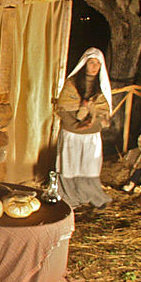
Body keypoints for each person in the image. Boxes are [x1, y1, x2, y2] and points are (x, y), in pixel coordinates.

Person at [55, 47, 113, 209]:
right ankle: (69, 196)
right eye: (91, 63)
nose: (94, 67)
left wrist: (91, 122)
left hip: (91, 135)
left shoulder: (101, 87)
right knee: (70, 165)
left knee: (89, 167)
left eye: (97, 64)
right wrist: (76, 124)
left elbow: (104, 113)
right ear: (84, 64)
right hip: (72, 133)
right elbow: (63, 108)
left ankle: (91, 195)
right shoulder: (71, 84)